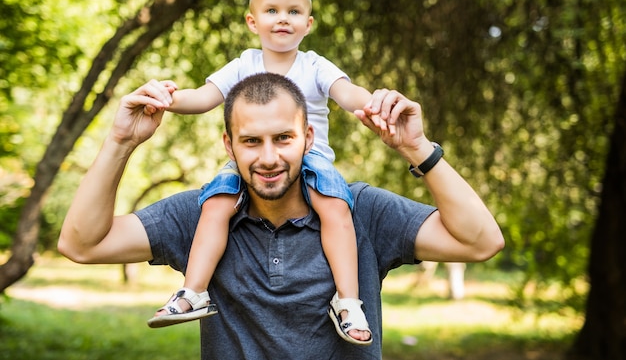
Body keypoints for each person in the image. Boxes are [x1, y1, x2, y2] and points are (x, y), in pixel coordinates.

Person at [58, 73, 505, 360]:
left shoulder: (359, 210)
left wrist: (418, 149)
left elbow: (480, 241)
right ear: (228, 146)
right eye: (251, 141)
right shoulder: (201, 215)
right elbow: (81, 244)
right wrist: (120, 141)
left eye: (283, 138)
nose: (269, 158)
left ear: (308, 138)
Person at [148, 0, 373, 344]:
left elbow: (348, 95)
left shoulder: (315, 65)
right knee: (215, 204)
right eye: (272, 10)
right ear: (253, 21)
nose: (283, 18)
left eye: (294, 11)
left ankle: (348, 301)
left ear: (308, 23)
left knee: (335, 209)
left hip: (309, 158)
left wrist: (377, 103)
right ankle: (193, 292)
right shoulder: (243, 64)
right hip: (247, 162)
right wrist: (166, 98)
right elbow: (203, 98)